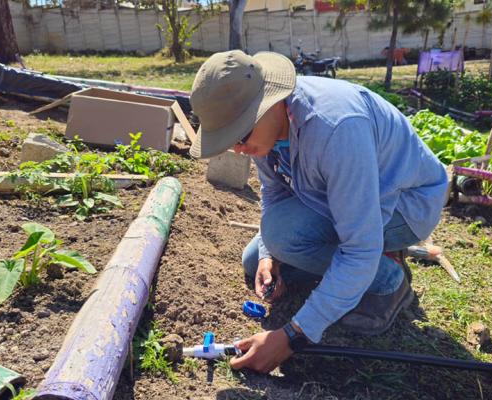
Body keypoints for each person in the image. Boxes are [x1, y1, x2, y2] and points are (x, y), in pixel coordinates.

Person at [188, 50, 448, 373]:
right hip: (340, 197)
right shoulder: (266, 130)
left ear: (268, 102)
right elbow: (275, 194)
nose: (238, 150)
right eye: (229, 140)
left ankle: (388, 280)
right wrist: (270, 256)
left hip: (405, 203)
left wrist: (292, 335)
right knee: (257, 257)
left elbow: (358, 248)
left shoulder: (336, 129)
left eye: (240, 135)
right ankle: (371, 263)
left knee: (293, 240)